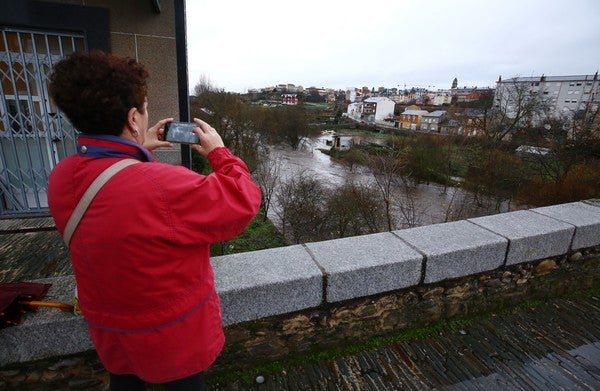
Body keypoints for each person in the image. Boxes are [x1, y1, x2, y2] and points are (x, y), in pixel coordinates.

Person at [47, 51, 261, 390]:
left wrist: (136, 147)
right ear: (134, 117)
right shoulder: (163, 186)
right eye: (144, 111)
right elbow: (242, 200)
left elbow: (111, 196)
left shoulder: (61, 177)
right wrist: (221, 153)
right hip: (172, 337)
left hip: (112, 334)